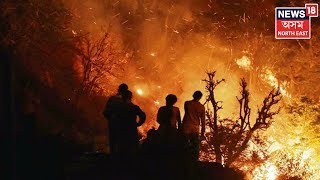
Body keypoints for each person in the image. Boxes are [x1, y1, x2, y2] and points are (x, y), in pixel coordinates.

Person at [103, 83, 128, 155]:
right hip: (123, 125)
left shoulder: (112, 99)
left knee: (113, 142)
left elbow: (105, 112)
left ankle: (113, 158)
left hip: (113, 123)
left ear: (118, 89)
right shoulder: (126, 100)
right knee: (122, 143)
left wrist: (111, 119)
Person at [181, 91, 206, 162]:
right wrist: (202, 132)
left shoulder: (187, 103)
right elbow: (203, 120)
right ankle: (194, 161)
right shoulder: (201, 107)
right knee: (195, 146)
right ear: (200, 97)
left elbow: (186, 112)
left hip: (186, 126)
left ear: (193, 95)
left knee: (185, 144)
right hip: (195, 128)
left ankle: (184, 159)